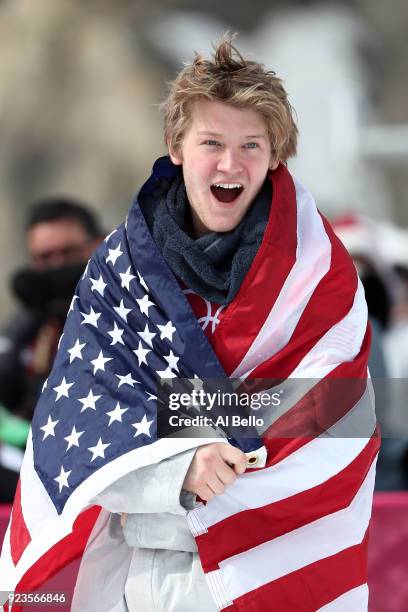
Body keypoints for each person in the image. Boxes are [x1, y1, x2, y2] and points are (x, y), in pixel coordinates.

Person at [0, 38, 378, 611]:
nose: (231, 164)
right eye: (212, 143)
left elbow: (341, 411)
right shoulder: (119, 267)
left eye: (251, 145)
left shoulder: (320, 273)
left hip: (269, 572)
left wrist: (168, 412)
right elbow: (76, 415)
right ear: (176, 147)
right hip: (136, 573)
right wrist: (178, 466)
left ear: (276, 154)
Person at [0, 198, 103, 502]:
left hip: (108, 462)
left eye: (68, 253)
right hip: (35, 461)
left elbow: (238, 408)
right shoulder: (30, 322)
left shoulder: (134, 305)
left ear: (98, 245)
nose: (57, 267)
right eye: (45, 258)